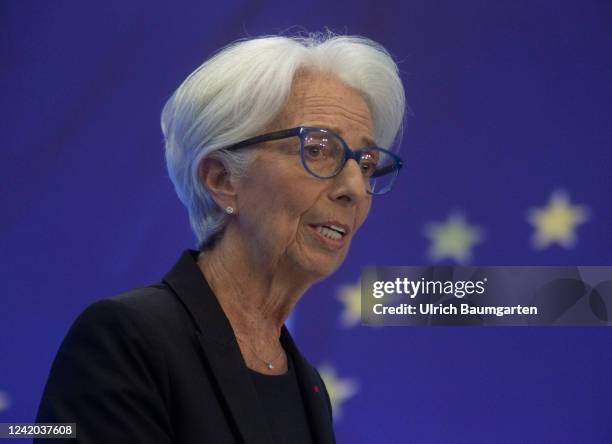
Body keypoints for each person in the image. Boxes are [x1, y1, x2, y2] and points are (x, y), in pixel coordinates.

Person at [36, 32, 405, 443]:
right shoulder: (126, 340)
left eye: (367, 164)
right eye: (318, 150)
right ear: (222, 179)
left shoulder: (309, 388)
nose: (354, 187)